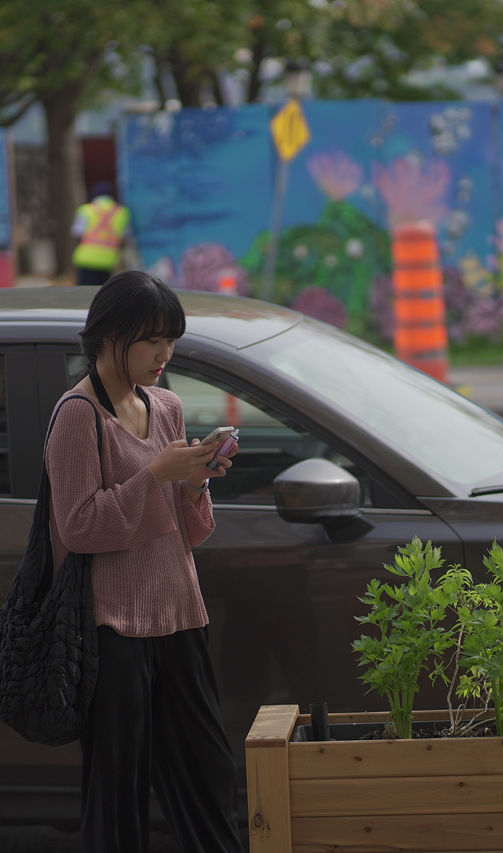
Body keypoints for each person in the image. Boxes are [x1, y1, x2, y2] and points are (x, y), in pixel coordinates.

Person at [44, 270, 243, 853]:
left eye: (170, 339)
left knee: (208, 773)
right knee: (118, 790)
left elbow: (188, 532)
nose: (165, 353)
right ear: (110, 336)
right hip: (112, 630)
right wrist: (155, 474)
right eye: (151, 339)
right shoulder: (77, 415)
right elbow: (77, 526)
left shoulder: (167, 406)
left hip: (180, 614)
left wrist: (195, 482)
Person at [71, 182, 132, 286]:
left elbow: (77, 234)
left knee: (84, 295)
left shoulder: (86, 210)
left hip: (86, 259)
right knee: (103, 295)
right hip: (109, 261)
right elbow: (125, 238)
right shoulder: (122, 212)